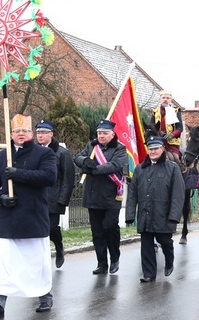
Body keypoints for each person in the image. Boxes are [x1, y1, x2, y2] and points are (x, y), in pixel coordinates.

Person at [0, 114, 57, 318]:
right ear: (11, 134)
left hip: (33, 216)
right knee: (2, 261)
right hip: (8, 218)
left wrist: (18, 174)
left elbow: (49, 177)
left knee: (36, 261)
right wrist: (0, 197)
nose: (21, 134)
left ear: (31, 133)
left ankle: (44, 296)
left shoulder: (44, 154)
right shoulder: (2, 155)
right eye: (16, 131)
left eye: (25, 131)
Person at [124, 135, 185, 282]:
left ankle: (169, 260)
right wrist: (130, 214)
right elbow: (132, 193)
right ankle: (148, 274)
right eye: (150, 149)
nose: (153, 151)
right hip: (145, 214)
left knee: (165, 242)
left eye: (156, 148)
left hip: (163, 215)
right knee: (146, 246)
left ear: (162, 149)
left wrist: (174, 216)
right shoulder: (140, 169)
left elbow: (178, 195)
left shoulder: (172, 168)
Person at [75, 119, 127, 275]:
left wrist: (94, 169)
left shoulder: (119, 148)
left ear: (112, 134)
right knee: (97, 232)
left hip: (111, 197)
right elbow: (77, 157)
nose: (101, 136)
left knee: (110, 227)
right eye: (99, 133)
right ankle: (102, 263)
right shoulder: (91, 146)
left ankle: (115, 258)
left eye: (104, 133)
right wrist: (85, 161)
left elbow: (115, 165)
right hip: (92, 196)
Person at [35, 119, 75, 268]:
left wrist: (62, 200)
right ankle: (41, 257)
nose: (40, 136)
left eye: (43, 133)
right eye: (38, 132)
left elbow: (68, 178)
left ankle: (59, 248)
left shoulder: (62, 153)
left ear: (51, 134)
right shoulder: (33, 150)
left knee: (52, 228)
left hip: (53, 198)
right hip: (36, 198)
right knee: (38, 229)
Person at [152, 89, 183, 159]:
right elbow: (151, 126)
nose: (165, 100)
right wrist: (159, 132)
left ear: (171, 100)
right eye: (163, 98)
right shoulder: (155, 111)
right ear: (160, 99)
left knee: (174, 157)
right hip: (158, 140)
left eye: (167, 98)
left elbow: (180, 128)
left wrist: (172, 135)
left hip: (172, 142)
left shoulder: (175, 111)